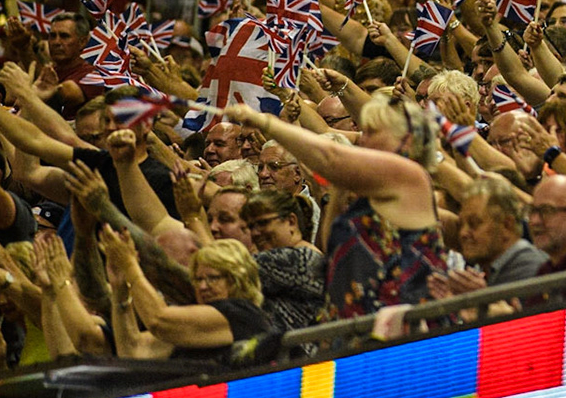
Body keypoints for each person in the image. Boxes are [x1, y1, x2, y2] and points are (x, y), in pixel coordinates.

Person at [222, 92, 446, 320]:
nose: (362, 140)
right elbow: (332, 248)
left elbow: (330, 158)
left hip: (410, 331)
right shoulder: (364, 197)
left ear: (406, 140)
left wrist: (265, 122)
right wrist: (337, 189)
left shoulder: (412, 177)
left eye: (372, 132)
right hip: (357, 329)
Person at [99, 230, 273, 361]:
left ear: (237, 279)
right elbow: (133, 351)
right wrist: (120, 289)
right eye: (198, 279)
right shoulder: (194, 325)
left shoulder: (243, 313)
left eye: (212, 278)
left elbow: (158, 319)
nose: (203, 287)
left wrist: (130, 266)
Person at [241, 189, 325, 331]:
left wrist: (195, 218)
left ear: (291, 222)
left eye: (262, 223)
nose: (255, 233)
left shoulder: (299, 259)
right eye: (251, 226)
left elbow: (226, 269)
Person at [450, 176, 548, 289]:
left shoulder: (531, 270)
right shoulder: (492, 271)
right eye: (461, 224)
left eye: (474, 223)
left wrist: (482, 301)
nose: (463, 233)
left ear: (507, 225)